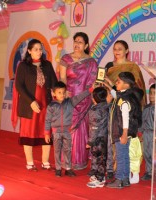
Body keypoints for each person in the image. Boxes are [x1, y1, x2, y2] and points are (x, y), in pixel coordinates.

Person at [12, 39, 57, 171]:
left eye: (40, 49)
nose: (38, 51)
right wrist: (31, 101)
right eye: (35, 49)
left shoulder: (47, 65)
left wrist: (60, 92)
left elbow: (54, 83)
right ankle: (30, 162)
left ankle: (45, 161)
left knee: (46, 133)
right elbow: (19, 86)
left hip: (46, 105)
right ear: (29, 51)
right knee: (28, 133)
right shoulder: (23, 66)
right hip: (29, 105)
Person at [59, 32, 98, 170]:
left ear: (86, 45)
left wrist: (88, 95)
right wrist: (63, 91)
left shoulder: (91, 62)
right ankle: (66, 161)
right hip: (69, 99)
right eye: (75, 41)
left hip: (85, 100)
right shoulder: (66, 58)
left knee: (81, 131)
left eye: (80, 42)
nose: (77, 44)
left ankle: (79, 161)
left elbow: (92, 82)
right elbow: (62, 78)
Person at [44, 81, 92, 177]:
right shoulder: (51, 106)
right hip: (56, 132)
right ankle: (58, 168)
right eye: (59, 92)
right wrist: (46, 133)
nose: (62, 95)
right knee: (57, 150)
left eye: (63, 92)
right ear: (54, 93)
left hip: (67, 131)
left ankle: (68, 168)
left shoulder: (70, 102)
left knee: (68, 150)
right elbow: (47, 120)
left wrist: (90, 90)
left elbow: (80, 96)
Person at [106, 72, 143, 189]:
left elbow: (125, 118)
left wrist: (124, 134)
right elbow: (115, 94)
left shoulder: (124, 100)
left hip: (122, 132)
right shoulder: (126, 96)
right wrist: (108, 84)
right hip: (125, 133)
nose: (116, 83)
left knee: (121, 157)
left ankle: (120, 179)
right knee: (125, 156)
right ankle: (125, 179)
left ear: (126, 85)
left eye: (119, 81)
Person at [105, 40, 146, 106]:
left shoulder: (133, 67)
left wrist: (114, 85)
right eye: (115, 49)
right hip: (110, 101)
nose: (117, 51)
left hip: (127, 102)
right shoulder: (109, 65)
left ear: (126, 51)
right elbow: (105, 84)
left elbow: (137, 87)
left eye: (120, 49)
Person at [140, 84, 156, 181]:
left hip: (155, 134)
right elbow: (143, 120)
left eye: (154, 93)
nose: (151, 95)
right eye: (150, 93)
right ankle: (149, 172)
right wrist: (140, 132)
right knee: (147, 153)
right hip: (146, 133)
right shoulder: (146, 107)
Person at [86, 87, 110, 188]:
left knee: (99, 158)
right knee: (101, 158)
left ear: (94, 97)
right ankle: (98, 175)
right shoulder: (107, 106)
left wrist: (90, 141)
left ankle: (100, 179)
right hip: (104, 135)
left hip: (97, 138)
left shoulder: (95, 110)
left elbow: (94, 127)